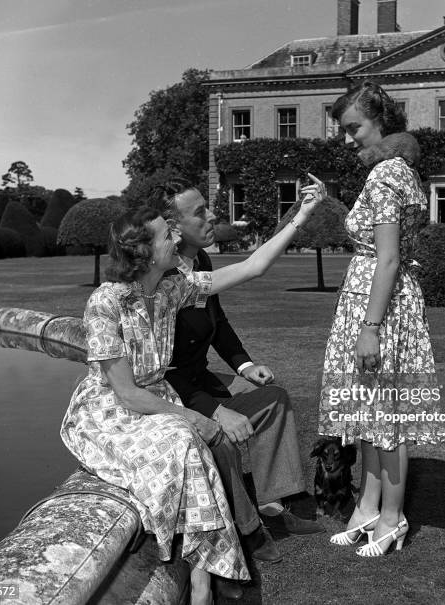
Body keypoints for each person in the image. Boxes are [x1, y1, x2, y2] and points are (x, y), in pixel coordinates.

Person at [60, 181, 325, 605]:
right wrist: (198, 416)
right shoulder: (104, 304)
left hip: (156, 397)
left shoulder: (171, 289)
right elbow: (126, 394)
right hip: (110, 410)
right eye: (168, 235)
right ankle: (211, 569)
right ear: (145, 251)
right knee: (189, 440)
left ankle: (205, 575)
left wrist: (301, 216)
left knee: (192, 441)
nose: (176, 237)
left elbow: (253, 266)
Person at [161, 184, 324, 563]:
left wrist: (245, 365)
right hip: (171, 393)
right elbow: (159, 372)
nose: (212, 216)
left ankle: (273, 505)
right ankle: (248, 529)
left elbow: (217, 320)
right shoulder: (163, 278)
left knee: (275, 400)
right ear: (172, 225)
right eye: (200, 212)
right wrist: (214, 411)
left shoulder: (199, 261)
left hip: (197, 378)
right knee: (221, 437)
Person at [317, 81, 445, 558]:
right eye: (345, 129)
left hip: (380, 307)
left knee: (385, 416)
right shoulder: (398, 170)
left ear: (381, 122)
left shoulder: (386, 175)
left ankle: (393, 518)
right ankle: (368, 509)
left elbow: (388, 259)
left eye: (355, 128)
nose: (349, 138)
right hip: (379, 300)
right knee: (370, 415)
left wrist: (369, 327)